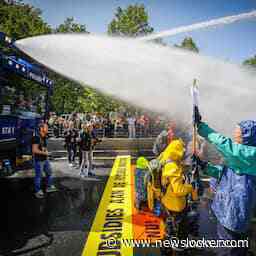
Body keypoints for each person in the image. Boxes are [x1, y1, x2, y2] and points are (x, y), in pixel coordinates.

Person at [194, 113, 256, 255]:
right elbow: (226, 174)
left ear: (247, 138)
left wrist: (203, 128)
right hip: (226, 211)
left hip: (235, 215)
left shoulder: (250, 155)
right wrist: (205, 166)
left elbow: (226, 145)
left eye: (238, 135)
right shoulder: (242, 160)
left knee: (229, 249)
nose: (234, 137)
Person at [160, 139, 196, 252]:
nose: (183, 154)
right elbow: (179, 190)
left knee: (170, 221)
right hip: (175, 202)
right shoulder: (173, 167)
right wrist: (190, 187)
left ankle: (166, 240)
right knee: (180, 224)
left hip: (167, 199)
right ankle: (178, 245)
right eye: (182, 152)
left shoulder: (165, 158)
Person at [32, 123, 57, 198]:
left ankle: (49, 187)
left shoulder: (44, 137)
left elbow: (44, 148)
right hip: (39, 160)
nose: (47, 129)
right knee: (38, 176)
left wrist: (47, 154)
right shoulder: (36, 137)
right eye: (46, 127)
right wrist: (45, 153)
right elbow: (34, 150)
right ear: (41, 128)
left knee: (49, 173)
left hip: (45, 159)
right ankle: (37, 191)